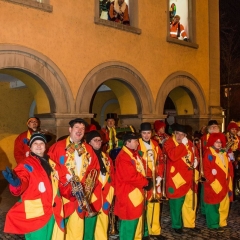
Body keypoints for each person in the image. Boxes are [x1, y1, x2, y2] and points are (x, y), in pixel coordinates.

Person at [2, 133, 65, 239]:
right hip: (37, 213)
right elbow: (22, 179)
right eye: (35, 143)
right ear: (30, 147)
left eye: (41, 143)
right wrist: (17, 184)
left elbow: (61, 182)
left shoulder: (52, 163)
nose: (39, 145)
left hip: (54, 210)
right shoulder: (26, 164)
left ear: (45, 146)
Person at [48, 118, 100, 240]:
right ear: (70, 129)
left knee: (77, 229)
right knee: (60, 229)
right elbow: (51, 168)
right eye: (77, 127)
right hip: (63, 195)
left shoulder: (88, 149)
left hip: (81, 197)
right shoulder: (57, 147)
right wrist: (66, 188)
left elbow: (95, 169)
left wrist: (87, 188)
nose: (80, 131)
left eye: (82, 129)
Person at [114, 132, 152, 240]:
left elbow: (144, 168)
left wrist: (149, 177)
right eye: (136, 141)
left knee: (136, 222)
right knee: (129, 225)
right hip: (128, 195)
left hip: (135, 194)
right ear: (128, 143)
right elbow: (131, 176)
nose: (138, 143)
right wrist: (146, 182)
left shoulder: (134, 154)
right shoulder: (123, 157)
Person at [163, 123, 200, 234]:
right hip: (176, 179)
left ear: (185, 135)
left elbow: (196, 154)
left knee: (190, 202)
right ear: (174, 133)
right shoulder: (169, 143)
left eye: (182, 134)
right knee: (176, 204)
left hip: (190, 177)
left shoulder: (190, 143)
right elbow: (173, 156)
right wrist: (183, 146)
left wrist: (196, 162)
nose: (179, 137)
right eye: (177, 134)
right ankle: (176, 225)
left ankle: (190, 224)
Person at [138, 122, 166, 240]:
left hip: (155, 178)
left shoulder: (155, 144)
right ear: (140, 133)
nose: (146, 135)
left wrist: (159, 175)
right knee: (143, 206)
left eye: (148, 133)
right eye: (144, 133)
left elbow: (160, 160)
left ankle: (155, 231)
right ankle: (144, 232)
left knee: (155, 205)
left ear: (151, 133)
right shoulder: (137, 145)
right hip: (144, 179)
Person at [85, 130, 115, 240]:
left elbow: (112, 174)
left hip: (106, 194)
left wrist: (111, 191)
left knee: (103, 221)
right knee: (89, 224)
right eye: (95, 140)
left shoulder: (106, 157)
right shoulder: (85, 157)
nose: (98, 142)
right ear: (89, 143)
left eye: (99, 140)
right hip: (92, 195)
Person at [202, 133, 233, 232]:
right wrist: (213, 182)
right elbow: (206, 170)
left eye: (220, 142)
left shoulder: (223, 153)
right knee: (213, 205)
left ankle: (222, 222)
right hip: (213, 184)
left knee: (224, 204)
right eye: (216, 142)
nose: (219, 144)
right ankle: (213, 224)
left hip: (225, 183)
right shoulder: (208, 153)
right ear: (212, 142)